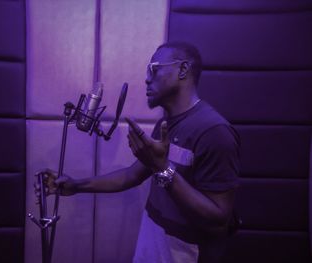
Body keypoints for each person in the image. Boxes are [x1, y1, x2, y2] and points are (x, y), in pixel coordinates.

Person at [38, 41, 240, 263]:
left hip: (185, 251)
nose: (146, 78)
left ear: (183, 70)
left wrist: (162, 169)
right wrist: (76, 185)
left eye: (154, 68)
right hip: (153, 237)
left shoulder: (214, 131)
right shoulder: (165, 125)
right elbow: (131, 175)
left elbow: (220, 219)